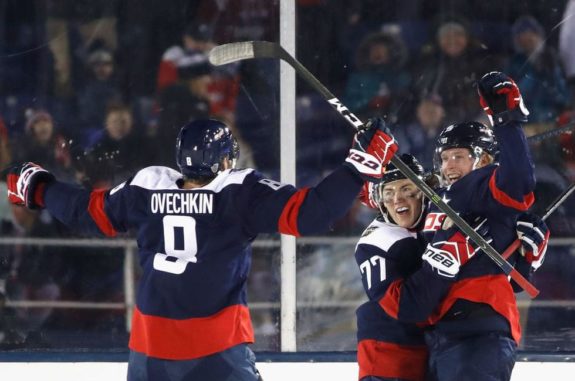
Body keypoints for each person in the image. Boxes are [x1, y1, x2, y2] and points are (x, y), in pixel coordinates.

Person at [6, 117, 398, 380]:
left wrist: (39, 188)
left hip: (150, 347)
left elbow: (85, 212)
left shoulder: (148, 186)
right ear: (225, 158)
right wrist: (357, 168)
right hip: (217, 350)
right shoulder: (237, 192)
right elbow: (309, 215)